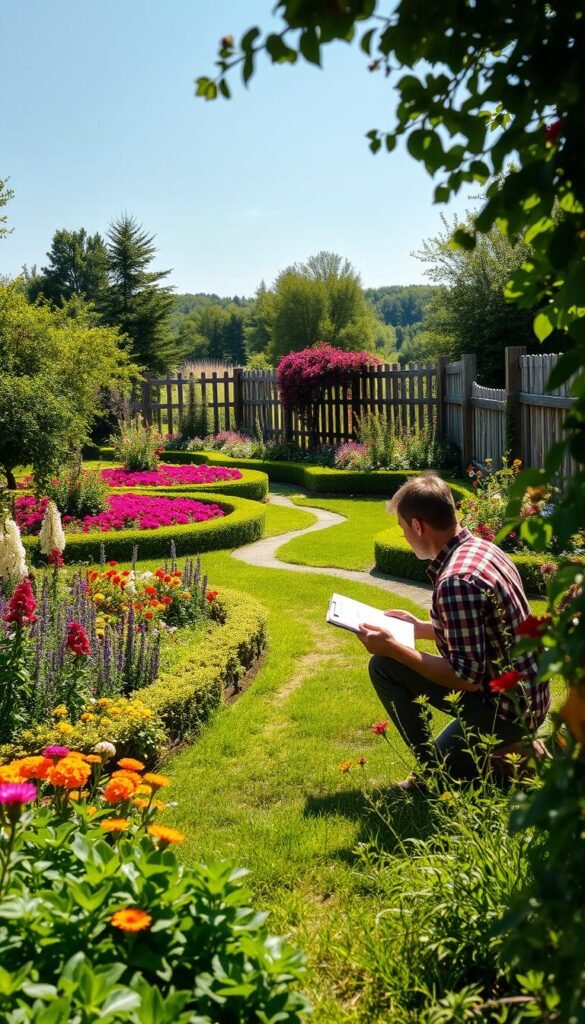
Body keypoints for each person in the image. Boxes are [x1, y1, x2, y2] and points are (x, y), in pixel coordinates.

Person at [358, 474, 550, 788]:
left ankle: (440, 773)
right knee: (392, 663)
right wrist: (419, 629)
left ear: (418, 526)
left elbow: (466, 678)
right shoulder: (484, 551)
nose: (405, 536)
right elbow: (486, 635)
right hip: (529, 699)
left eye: (404, 529)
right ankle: (512, 748)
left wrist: (396, 649)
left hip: (503, 710)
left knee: (384, 666)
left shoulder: (455, 581)